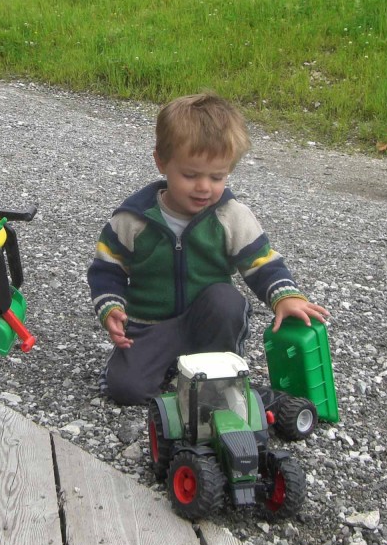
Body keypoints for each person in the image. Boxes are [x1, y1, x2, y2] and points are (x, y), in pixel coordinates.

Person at [87, 92, 330, 405]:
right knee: (125, 391)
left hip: (208, 323)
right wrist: (111, 307)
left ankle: (219, 372)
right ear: (161, 162)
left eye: (218, 176)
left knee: (226, 301)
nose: (204, 187)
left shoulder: (230, 216)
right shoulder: (133, 219)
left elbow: (263, 263)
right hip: (150, 328)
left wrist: (286, 296)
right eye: (190, 175)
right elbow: (107, 268)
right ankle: (167, 372)